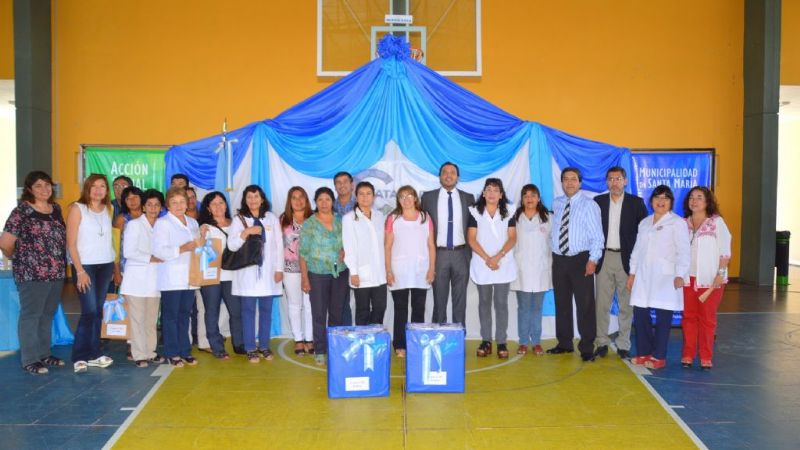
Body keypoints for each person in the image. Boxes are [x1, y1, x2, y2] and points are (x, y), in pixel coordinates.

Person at [0, 171, 67, 375]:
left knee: (47, 314)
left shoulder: (55, 209)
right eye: (38, 186)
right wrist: (20, 259)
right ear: (29, 189)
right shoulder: (21, 212)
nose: (44, 189)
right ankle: (30, 359)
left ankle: (44, 353)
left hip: (56, 272)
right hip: (32, 274)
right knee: (31, 315)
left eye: (47, 185)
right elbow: (5, 243)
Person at [626, 185, 690, 370]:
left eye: (665, 198)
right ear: (651, 200)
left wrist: (680, 274)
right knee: (640, 314)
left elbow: (684, 251)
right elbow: (637, 250)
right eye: (657, 198)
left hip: (666, 276)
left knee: (663, 317)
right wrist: (632, 273)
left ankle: (659, 356)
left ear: (671, 202)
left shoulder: (677, 223)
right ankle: (644, 352)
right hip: (643, 276)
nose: (661, 202)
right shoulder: (645, 222)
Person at [548, 167, 604, 362]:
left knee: (585, 305)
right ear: (562, 182)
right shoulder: (557, 203)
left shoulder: (590, 205)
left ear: (580, 183)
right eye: (566, 179)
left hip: (582, 260)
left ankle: (587, 347)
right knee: (561, 303)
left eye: (573, 179)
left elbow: (597, 236)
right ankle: (564, 343)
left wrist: (593, 260)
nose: (569, 183)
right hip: (559, 260)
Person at [593, 167, 648, 359]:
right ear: (606, 182)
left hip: (628, 260)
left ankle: (624, 343)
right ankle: (601, 342)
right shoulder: (598, 202)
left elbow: (644, 234)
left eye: (618, 179)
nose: (614, 182)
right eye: (610, 179)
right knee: (602, 304)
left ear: (625, 181)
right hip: (604, 258)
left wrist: (639, 263)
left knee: (626, 304)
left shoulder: (636, 203)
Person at [228, 185, 284, 363]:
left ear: (262, 199)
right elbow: (232, 246)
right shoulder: (238, 219)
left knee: (266, 310)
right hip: (247, 274)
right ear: (245, 199)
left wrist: (279, 269)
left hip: (269, 274)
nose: (253, 200)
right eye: (249, 197)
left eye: (256, 196)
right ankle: (251, 347)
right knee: (248, 311)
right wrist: (246, 232)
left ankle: (265, 346)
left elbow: (278, 246)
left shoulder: (271, 218)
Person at [66, 173, 116, 373]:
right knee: (89, 311)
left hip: (105, 265)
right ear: (87, 188)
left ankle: (94, 353)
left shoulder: (108, 209)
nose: (98, 190)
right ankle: (79, 356)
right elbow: (71, 244)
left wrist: (112, 266)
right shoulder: (77, 208)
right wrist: (79, 271)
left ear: (106, 190)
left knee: (98, 310)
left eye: (102, 186)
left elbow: (107, 240)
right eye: (94, 186)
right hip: (84, 266)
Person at [681, 186, 731, 370]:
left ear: (708, 202)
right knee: (688, 318)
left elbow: (725, 251)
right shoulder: (683, 224)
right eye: (691, 197)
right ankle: (687, 354)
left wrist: (720, 274)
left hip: (710, 280)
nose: (694, 201)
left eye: (699, 197)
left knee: (707, 319)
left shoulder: (717, 223)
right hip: (688, 279)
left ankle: (705, 356)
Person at [467, 178, 517, 359]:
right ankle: (486, 340)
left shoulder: (509, 211)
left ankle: (501, 341)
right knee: (484, 304)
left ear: (501, 195)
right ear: (483, 193)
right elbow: (471, 239)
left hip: (503, 263)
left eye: (496, 190)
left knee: (501, 304)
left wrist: (498, 257)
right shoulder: (474, 211)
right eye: (488, 189)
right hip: (482, 263)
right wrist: (488, 258)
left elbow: (512, 237)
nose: (492, 193)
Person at [153, 187, 203, 367]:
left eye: (182, 201)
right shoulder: (163, 223)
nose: (179, 205)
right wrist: (182, 248)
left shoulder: (192, 222)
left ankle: (185, 350)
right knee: (171, 316)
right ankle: (172, 352)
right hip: (171, 277)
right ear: (168, 205)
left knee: (185, 315)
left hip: (190, 276)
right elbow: (158, 251)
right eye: (174, 202)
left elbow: (197, 246)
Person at [421, 162, 476, 326]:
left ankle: (459, 334)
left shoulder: (469, 198)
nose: (448, 175)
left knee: (460, 300)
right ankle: (439, 332)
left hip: (461, 254)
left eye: (452, 172)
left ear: (458, 177)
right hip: (439, 254)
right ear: (439, 177)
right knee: (439, 299)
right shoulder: (427, 197)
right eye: (445, 172)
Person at [299, 187, 349, 366]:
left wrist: (345, 250)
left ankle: (334, 348)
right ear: (315, 202)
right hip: (317, 274)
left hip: (340, 273)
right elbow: (303, 253)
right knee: (319, 314)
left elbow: (349, 242)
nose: (324, 203)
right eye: (320, 199)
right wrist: (304, 278)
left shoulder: (341, 220)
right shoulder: (310, 223)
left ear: (332, 201)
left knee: (337, 313)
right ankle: (320, 350)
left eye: (327, 199)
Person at [385, 186, 436, 357]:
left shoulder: (425, 217)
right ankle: (399, 344)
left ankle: (415, 343)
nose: (406, 199)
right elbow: (388, 246)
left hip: (421, 270)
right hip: (399, 270)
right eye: (402, 197)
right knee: (400, 309)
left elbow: (431, 245)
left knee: (418, 308)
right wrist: (388, 271)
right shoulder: (393, 218)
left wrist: (432, 269)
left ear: (415, 198)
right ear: (398, 200)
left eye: (409, 196)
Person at [120, 189, 165, 368]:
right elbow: (128, 252)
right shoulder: (134, 225)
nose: (153, 208)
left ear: (161, 207)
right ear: (144, 207)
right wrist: (151, 257)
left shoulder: (162, 225)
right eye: (150, 204)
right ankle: (139, 354)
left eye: (157, 205)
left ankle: (150, 352)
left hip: (156, 281)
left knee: (151, 320)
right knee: (137, 319)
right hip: (136, 281)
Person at [198, 191, 242, 359]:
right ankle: (217, 347)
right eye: (214, 204)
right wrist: (201, 236)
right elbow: (198, 252)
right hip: (212, 277)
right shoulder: (205, 227)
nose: (218, 206)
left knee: (236, 312)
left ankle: (239, 344)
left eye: (221, 202)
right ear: (208, 208)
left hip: (233, 276)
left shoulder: (237, 224)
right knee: (211, 311)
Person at [510, 184, 552, 356]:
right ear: (522, 198)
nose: (529, 199)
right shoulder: (515, 217)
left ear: (538, 198)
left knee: (537, 308)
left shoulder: (548, 217)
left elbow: (553, 243)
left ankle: (536, 342)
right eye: (526, 195)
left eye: (533, 195)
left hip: (541, 269)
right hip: (522, 269)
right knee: (524, 307)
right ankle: (522, 342)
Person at [342, 181, 387, 326]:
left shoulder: (380, 216)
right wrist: (354, 272)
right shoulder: (349, 218)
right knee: (362, 310)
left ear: (374, 197)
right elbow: (349, 246)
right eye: (361, 194)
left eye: (368, 194)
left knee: (380, 307)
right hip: (361, 273)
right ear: (356, 196)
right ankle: (363, 342)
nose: (365, 197)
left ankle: (375, 339)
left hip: (380, 272)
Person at [280, 187, 314, 355]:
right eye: (294, 197)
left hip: (312, 269)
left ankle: (309, 338)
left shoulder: (314, 218)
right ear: (289, 201)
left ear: (306, 199)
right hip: (290, 270)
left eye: (301, 197)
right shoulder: (283, 220)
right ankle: (298, 339)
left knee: (310, 305)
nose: (298, 200)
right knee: (295, 304)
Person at [332, 171, 355, 326]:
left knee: (363, 302)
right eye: (338, 182)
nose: (342, 185)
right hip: (336, 261)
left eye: (345, 181)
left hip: (359, 260)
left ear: (352, 184)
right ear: (334, 186)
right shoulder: (328, 206)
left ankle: (360, 334)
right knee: (340, 300)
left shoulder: (362, 204)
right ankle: (341, 335)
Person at [112, 186, 144, 288]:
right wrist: (116, 272)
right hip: (126, 268)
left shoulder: (149, 216)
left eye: (135, 197)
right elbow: (114, 247)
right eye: (128, 198)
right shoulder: (121, 219)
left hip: (148, 266)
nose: (132, 201)